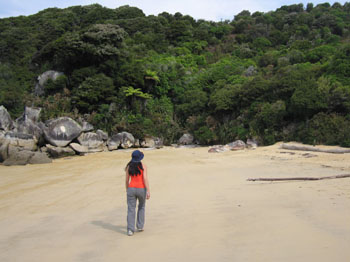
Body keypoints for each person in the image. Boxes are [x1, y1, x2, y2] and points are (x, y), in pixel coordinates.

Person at [125, 150, 150, 236]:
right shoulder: (143, 166)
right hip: (141, 189)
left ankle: (130, 230)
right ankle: (140, 226)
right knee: (141, 207)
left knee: (131, 209)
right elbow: (145, 179)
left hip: (131, 189)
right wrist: (148, 191)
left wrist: (127, 190)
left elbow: (127, 180)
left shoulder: (129, 166)